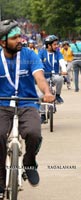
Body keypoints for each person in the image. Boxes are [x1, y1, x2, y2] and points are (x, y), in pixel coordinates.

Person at [0, 19, 55, 194]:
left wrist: (46, 92)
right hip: (2, 104)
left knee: (33, 133)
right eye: (14, 38)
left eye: (20, 37)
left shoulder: (29, 55)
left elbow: (39, 77)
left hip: (27, 102)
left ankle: (29, 163)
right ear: (3, 42)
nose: (20, 41)